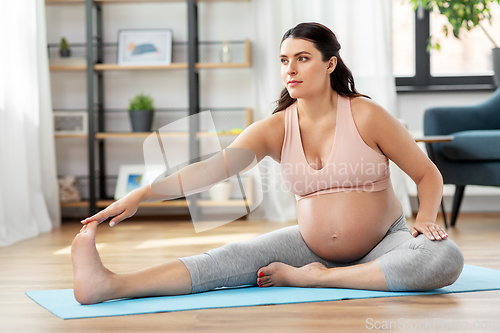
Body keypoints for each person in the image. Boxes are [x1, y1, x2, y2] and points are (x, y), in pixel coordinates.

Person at [74, 22, 464, 305]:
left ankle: (320, 281)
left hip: (385, 243)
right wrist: (142, 193)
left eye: (302, 59)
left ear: (330, 65)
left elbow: (426, 173)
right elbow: (210, 169)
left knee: (443, 256)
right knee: (224, 259)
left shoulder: (366, 114)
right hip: (306, 246)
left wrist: (426, 218)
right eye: (284, 60)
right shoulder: (275, 128)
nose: (289, 70)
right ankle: (110, 285)